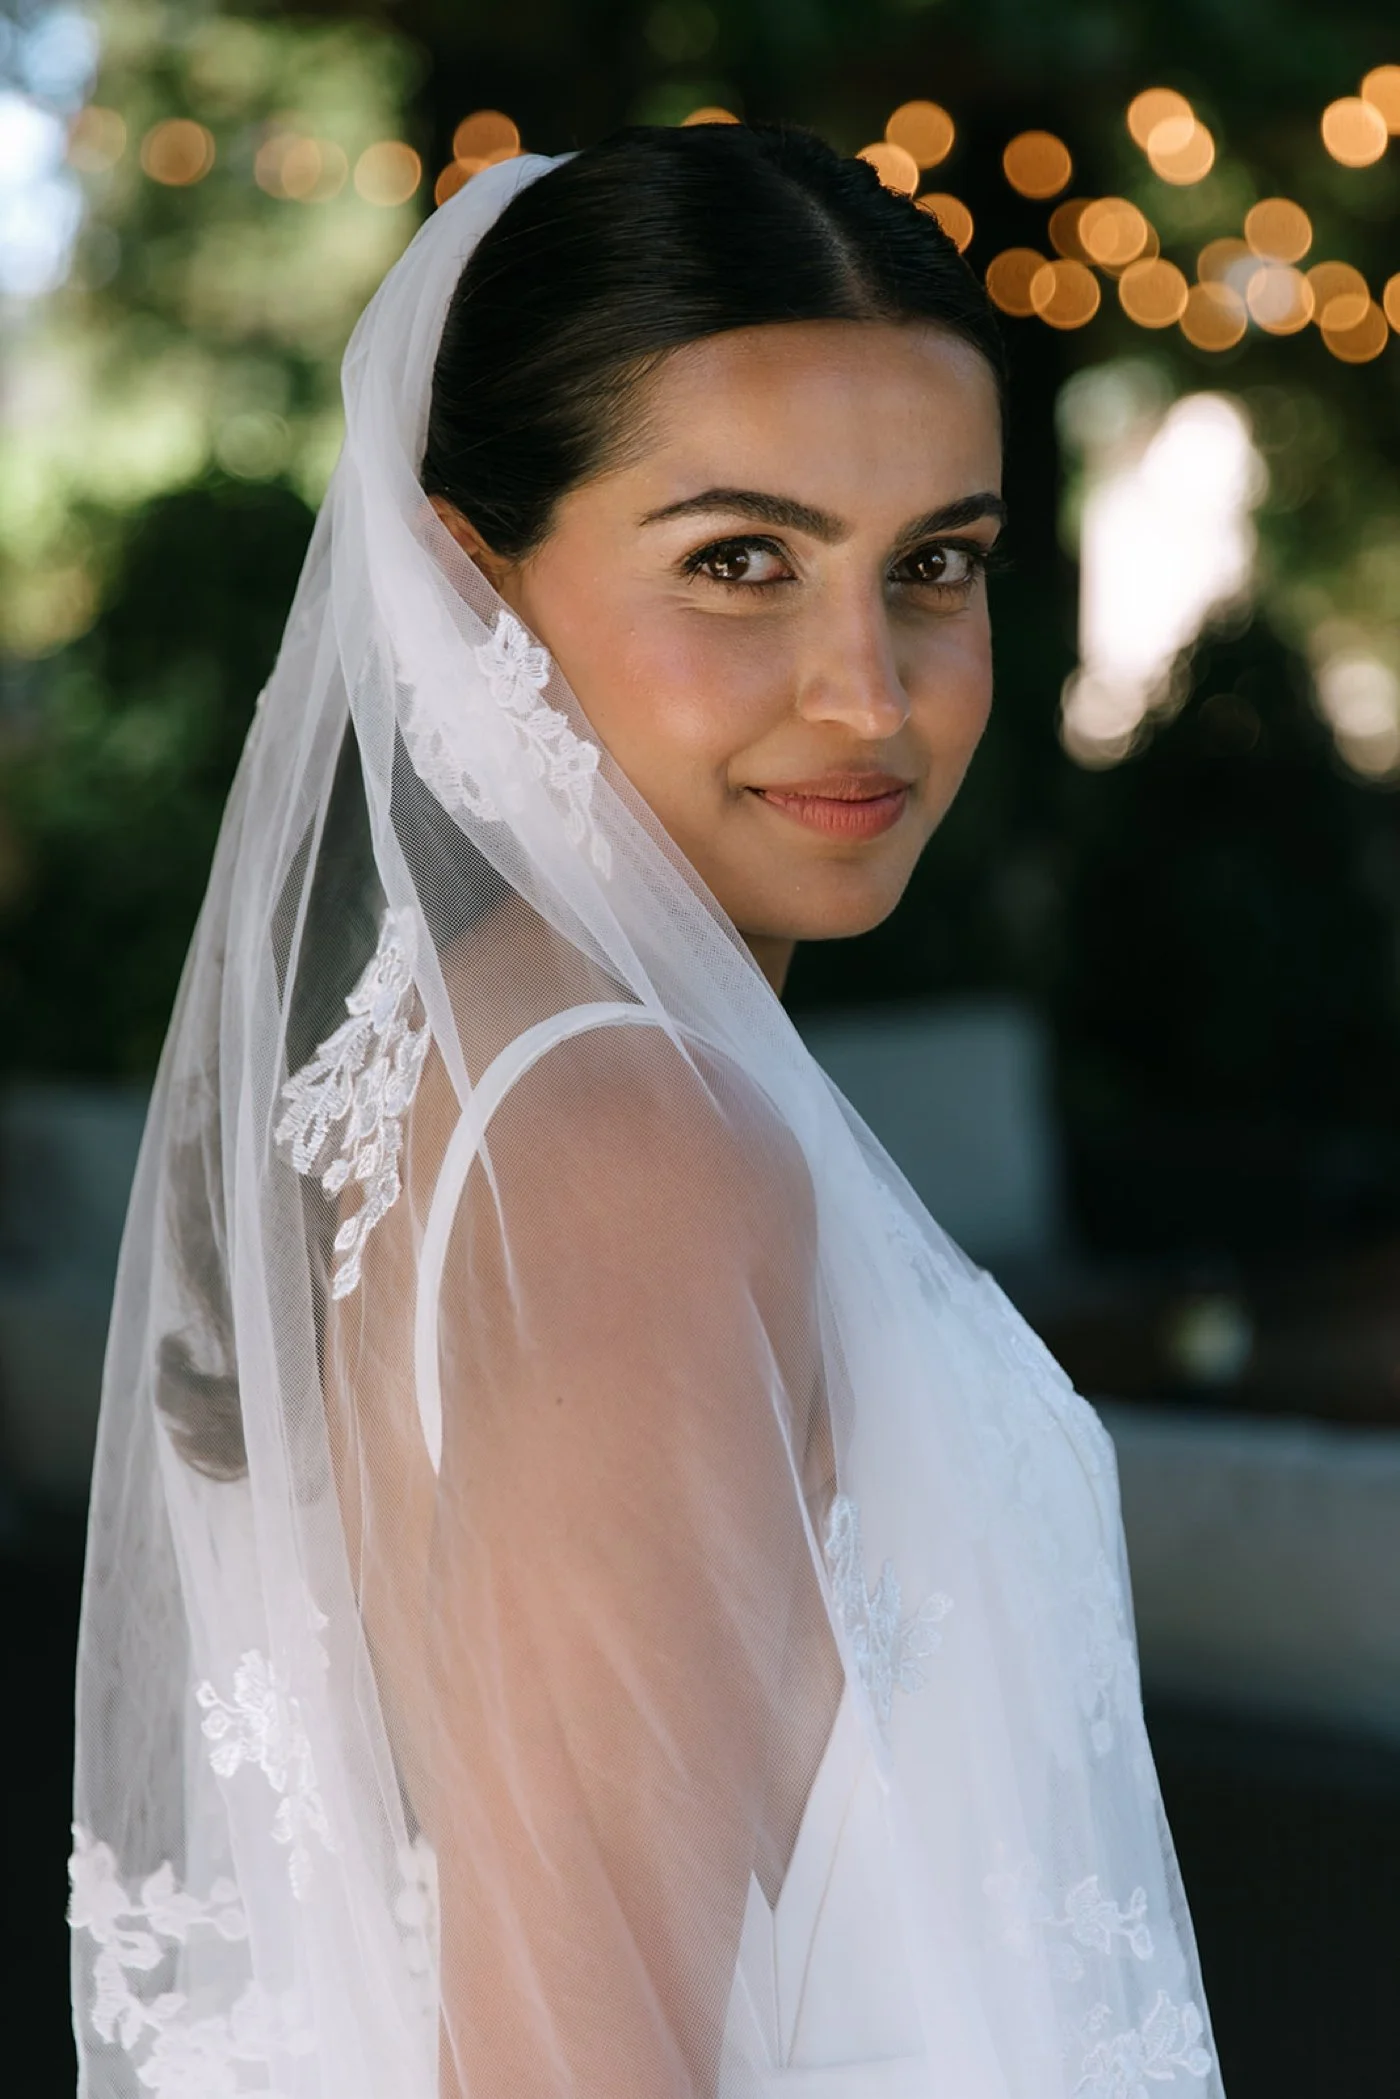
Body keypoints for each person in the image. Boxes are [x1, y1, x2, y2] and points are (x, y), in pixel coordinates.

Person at [70, 125, 1222, 2099]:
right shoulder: (628, 1141)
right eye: (740, 559)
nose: (868, 688)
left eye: (932, 564)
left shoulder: (496, 1057)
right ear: (471, 575)